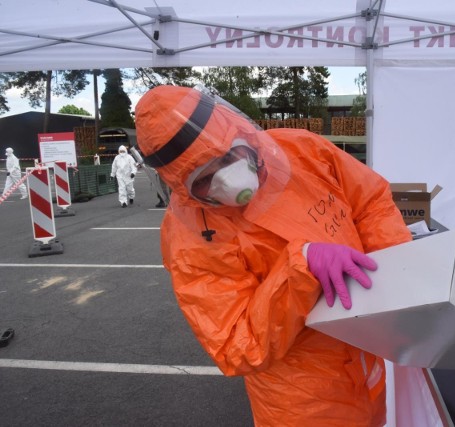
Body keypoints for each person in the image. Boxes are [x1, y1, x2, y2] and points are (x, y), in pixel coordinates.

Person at [135, 85, 412, 427]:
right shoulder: (191, 236)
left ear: (239, 133)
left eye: (227, 158)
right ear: (180, 186)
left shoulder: (300, 150)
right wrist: (300, 269)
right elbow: (236, 344)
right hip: (301, 399)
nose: (230, 183)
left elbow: (370, 201)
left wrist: (390, 272)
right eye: (204, 179)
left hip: (367, 355)